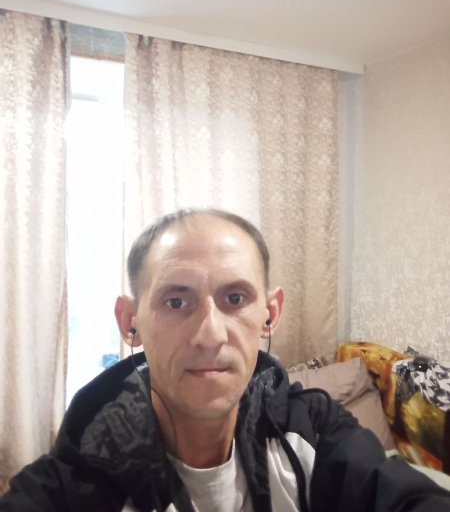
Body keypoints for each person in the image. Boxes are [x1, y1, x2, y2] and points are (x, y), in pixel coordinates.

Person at [1, 208, 449, 512]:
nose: (210, 334)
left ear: (269, 314)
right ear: (129, 320)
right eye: (177, 302)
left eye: (235, 298)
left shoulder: (314, 429)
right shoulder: (75, 481)